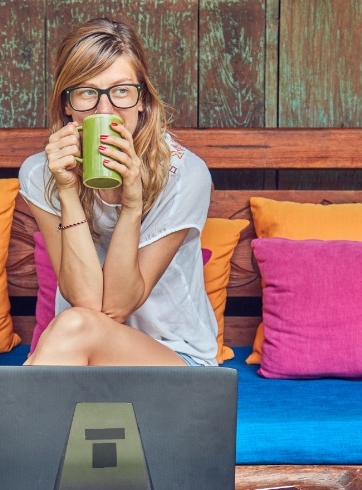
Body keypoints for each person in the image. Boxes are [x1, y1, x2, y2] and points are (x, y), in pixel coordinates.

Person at [19, 18, 216, 367]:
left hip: (176, 361)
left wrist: (132, 204)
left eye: (122, 91)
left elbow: (116, 307)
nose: (105, 110)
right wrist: (67, 191)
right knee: (75, 327)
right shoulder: (41, 173)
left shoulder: (184, 174)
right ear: (67, 104)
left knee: (72, 329)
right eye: (86, 92)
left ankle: (12, 401)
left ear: (143, 100)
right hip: (80, 353)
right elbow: (87, 301)